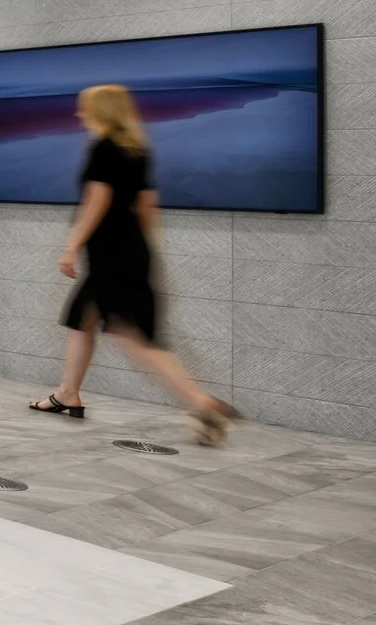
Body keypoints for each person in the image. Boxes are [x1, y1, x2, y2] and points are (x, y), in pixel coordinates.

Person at [29, 84, 240, 443]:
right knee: (81, 316)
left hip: (111, 256)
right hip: (130, 250)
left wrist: (71, 246)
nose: (80, 114)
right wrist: (143, 251)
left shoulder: (103, 148)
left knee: (134, 336)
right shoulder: (136, 150)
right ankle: (67, 393)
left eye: (85, 107)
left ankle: (201, 403)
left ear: (101, 111)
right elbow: (146, 206)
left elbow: (97, 201)